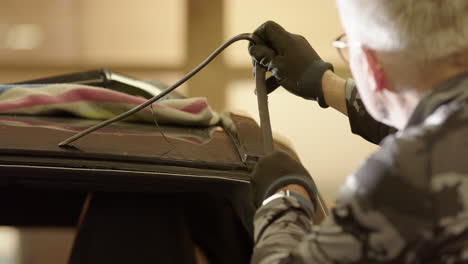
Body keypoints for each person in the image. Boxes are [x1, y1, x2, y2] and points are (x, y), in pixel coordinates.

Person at [247, 0, 468, 263]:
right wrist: (323, 83)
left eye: (347, 47)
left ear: (371, 65)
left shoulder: (406, 173)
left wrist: (283, 198)